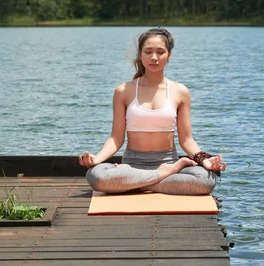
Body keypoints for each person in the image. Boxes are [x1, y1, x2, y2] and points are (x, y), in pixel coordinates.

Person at [79, 27, 226, 195]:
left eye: (160, 52)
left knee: (206, 180)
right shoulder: (124, 90)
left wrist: (204, 160)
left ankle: (133, 184)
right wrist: (97, 159)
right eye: (148, 52)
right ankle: (160, 177)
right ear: (140, 55)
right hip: (133, 165)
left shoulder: (180, 91)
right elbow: (116, 138)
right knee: (96, 176)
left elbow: (186, 140)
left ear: (169, 55)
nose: (154, 57)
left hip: (167, 162)